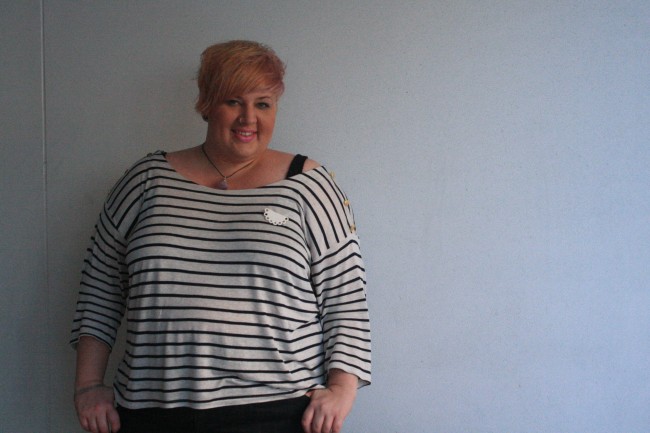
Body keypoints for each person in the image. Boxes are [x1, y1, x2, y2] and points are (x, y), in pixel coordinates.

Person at [70, 40, 371, 433]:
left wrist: (342, 389)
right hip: (153, 411)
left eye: (263, 103)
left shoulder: (308, 185)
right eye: (233, 101)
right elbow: (100, 287)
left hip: (278, 411)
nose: (249, 118)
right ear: (206, 104)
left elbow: (345, 295)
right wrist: (88, 385)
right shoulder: (146, 181)